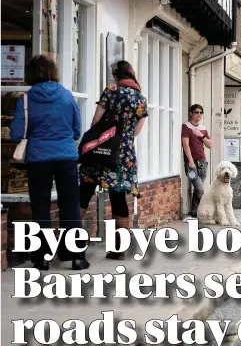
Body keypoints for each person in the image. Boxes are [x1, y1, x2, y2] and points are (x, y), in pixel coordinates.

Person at [10, 55, 90, 270]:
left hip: (38, 159)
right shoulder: (66, 96)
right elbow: (76, 129)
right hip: (66, 157)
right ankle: (76, 257)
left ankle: (41, 258)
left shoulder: (25, 100)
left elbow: (17, 133)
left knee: (40, 208)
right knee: (70, 205)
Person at [78, 60, 148, 260]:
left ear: (117, 75)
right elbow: (136, 131)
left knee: (84, 192)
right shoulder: (140, 98)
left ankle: (72, 245)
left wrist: (97, 137)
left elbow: (95, 121)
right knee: (119, 198)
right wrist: (123, 138)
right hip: (123, 154)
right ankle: (119, 249)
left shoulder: (111, 91)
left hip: (101, 148)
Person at [182, 104, 212, 218]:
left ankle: (195, 212)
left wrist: (201, 136)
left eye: (201, 112)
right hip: (191, 164)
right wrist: (190, 161)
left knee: (199, 189)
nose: (199, 114)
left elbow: (210, 144)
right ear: (191, 113)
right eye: (196, 112)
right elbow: (185, 144)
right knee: (199, 188)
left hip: (202, 163)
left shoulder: (203, 128)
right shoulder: (186, 126)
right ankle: (202, 210)